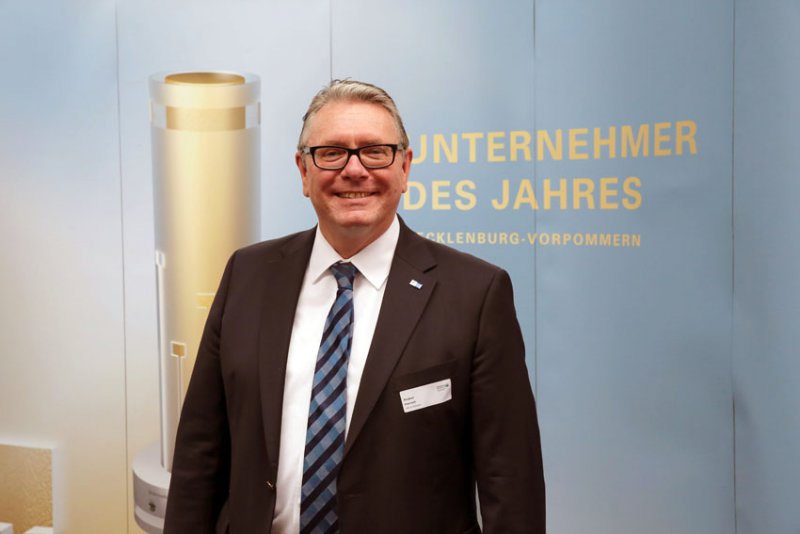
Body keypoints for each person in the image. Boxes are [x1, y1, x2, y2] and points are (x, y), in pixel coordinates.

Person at [163, 79, 545, 534]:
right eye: (331, 153)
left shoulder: (475, 294)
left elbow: (511, 481)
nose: (354, 169)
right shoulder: (248, 275)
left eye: (375, 152)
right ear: (304, 172)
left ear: (404, 167)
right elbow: (200, 454)